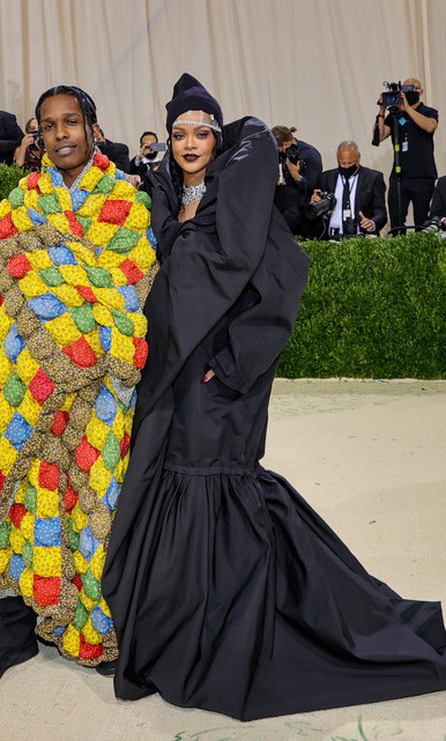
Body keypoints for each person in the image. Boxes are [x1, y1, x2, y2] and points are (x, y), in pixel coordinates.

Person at [102, 73, 446, 721]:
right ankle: (179, 619)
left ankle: (231, 628)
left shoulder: (239, 201)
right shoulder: (159, 201)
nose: (187, 143)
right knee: (175, 485)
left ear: (217, 135)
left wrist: (230, 370)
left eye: (200, 131)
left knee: (216, 488)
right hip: (165, 377)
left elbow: (280, 284)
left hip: (218, 382)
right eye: (177, 133)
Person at [0, 84, 157, 690]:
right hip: (19, 386)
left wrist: (73, 337)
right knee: (16, 501)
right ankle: (12, 631)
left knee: (92, 504)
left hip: (93, 390)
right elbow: (0, 288)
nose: (61, 134)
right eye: (49, 125)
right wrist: (24, 369)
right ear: (38, 135)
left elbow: (127, 288)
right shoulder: (20, 202)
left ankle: (92, 626)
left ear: (93, 127)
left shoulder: (125, 201)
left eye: (72, 122)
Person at [372, 78, 438, 233]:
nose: (407, 91)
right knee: (396, 221)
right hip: (399, 176)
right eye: (404, 88)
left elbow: (430, 127)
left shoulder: (428, 111)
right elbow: (378, 137)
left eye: (411, 88)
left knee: (422, 222)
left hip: (423, 175)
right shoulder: (395, 115)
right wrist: (382, 110)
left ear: (420, 91)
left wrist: (408, 109)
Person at [310, 140, 387, 238]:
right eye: (342, 163)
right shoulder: (325, 178)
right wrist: (315, 204)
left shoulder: (373, 178)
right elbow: (314, 212)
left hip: (362, 238)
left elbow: (381, 213)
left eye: (350, 163)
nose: (346, 167)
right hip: (331, 238)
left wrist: (372, 223)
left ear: (359, 158)